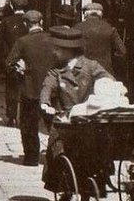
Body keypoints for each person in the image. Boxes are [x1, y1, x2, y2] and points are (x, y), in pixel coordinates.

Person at [39, 25, 113, 191]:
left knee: (95, 151)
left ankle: (91, 188)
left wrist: (106, 86)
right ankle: (61, 186)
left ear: (68, 50)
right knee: (57, 149)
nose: (54, 52)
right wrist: (45, 103)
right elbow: (47, 86)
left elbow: (106, 78)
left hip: (89, 117)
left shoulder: (90, 66)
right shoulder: (56, 70)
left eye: (57, 49)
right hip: (66, 119)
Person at [5, 10, 54, 165]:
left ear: (26, 24)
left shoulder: (23, 41)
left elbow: (9, 64)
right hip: (51, 89)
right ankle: (55, 156)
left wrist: (20, 69)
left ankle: (31, 158)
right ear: (41, 23)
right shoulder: (52, 39)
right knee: (52, 124)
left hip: (30, 89)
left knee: (29, 125)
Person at [0, 0, 31, 124]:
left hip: (12, 61)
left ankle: (12, 117)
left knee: (12, 89)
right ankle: (27, 117)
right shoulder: (31, 21)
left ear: (11, 6)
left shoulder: (6, 22)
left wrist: (5, 57)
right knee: (28, 88)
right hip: (29, 62)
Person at [79, 1, 128, 79]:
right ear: (101, 14)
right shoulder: (110, 29)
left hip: (82, 72)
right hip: (105, 72)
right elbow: (122, 52)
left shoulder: (77, 28)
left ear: (85, 14)